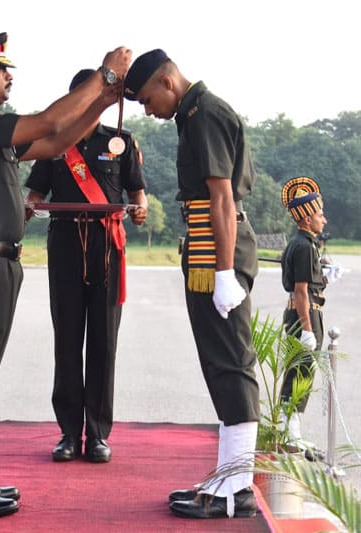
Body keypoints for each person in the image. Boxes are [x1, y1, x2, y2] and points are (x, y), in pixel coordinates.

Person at [0, 33, 131, 518]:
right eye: (0, 69)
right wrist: (103, 76)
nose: (9, 76)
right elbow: (48, 121)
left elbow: (58, 138)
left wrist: (102, 101)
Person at [123, 49, 260, 519]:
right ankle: (228, 476)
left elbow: (222, 199)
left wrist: (225, 273)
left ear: (166, 81)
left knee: (232, 363)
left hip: (217, 250)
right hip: (205, 248)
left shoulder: (205, 115)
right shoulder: (191, 116)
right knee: (219, 365)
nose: (146, 110)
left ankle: (238, 487)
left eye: (145, 99)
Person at [24, 69, 148, 464]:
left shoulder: (121, 142)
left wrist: (141, 209)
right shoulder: (54, 145)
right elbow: (35, 193)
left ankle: (97, 435)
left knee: (103, 341)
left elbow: (137, 193)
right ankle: (66, 433)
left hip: (106, 245)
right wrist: (26, 208)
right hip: (64, 243)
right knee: (67, 340)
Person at [278, 176, 329, 454]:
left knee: (300, 372)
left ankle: (291, 429)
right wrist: (308, 329)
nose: (324, 220)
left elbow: (308, 283)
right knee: (300, 373)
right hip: (304, 315)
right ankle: (290, 430)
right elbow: (300, 291)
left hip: (305, 312)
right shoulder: (304, 246)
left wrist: (324, 273)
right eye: (320, 215)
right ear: (307, 219)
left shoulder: (304, 243)